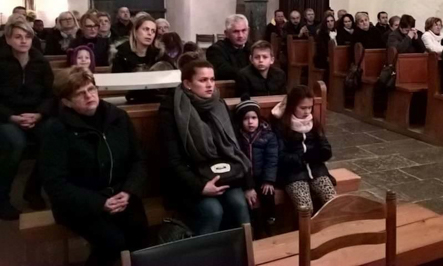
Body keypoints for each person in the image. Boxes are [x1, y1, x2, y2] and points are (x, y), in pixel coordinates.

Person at [41, 67, 148, 266]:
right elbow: (55, 184)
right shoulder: (56, 129)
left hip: (120, 194)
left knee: (140, 236)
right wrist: (99, 203)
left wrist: (128, 191)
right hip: (80, 202)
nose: (89, 96)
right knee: (112, 243)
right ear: (66, 102)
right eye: (80, 94)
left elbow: (138, 160)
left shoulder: (118, 117)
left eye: (91, 89)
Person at [159, 59, 253, 235]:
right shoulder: (172, 110)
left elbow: (235, 147)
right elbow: (172, 160)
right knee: (213, 210)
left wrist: (248, 184)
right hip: (190, 180)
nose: (210, 85)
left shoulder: (218, 104)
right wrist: (200, 187)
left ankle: (246, 248)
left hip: (224, 174)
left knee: (239, 204)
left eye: (212, 79)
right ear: (187, 84)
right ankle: (204, 250)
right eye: (203, 80)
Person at [0, 17, 54, 219]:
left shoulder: (41, 62)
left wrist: (39, 114)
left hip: (36, 115)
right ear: (8, 39)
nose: (23, 41)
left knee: (53, 136)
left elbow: (51, 95)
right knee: (15, 143)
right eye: (18, 37)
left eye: (27, 36)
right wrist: (11, 117)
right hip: (7, 117)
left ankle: (32, 189)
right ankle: (2, 197)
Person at [273, 85, 335, 214]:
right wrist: (302, 158)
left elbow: (326, 148)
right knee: (305, 208)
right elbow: (280, 156)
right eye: (302, 108)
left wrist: (319, 154)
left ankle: (330, 227)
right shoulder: (282, 126)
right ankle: (306, 227)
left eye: (309, 107)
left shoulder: (314, 123)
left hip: (317, 170)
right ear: (292, 106)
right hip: (293, 174)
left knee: (332, 201)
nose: (307, 112)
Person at [234, 98, 278, 237]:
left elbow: (271, 159)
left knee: (267, 193)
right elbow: (237, 162)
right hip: (245, 179)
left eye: (254, 118)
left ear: (259, 118)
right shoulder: (237, 138)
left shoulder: (268, 135)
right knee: (252, 201)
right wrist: (247, 185)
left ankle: (270, 220)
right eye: (246, 118)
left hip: (263, 176)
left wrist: (268, 180)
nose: (250, 122)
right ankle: (257, 227)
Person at [206, 14, 251, 80]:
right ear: (226, 33)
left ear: (248, 30)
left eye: (244, 30)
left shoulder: (253, 48)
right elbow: (224, 71)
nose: (240, 35)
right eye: (236, 31)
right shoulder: (215, 50)